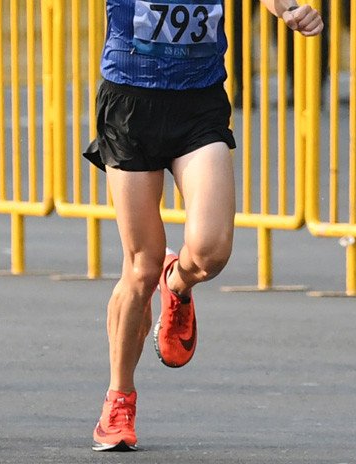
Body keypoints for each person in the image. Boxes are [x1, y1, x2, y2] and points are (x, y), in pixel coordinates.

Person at [82, 0, 322, 451]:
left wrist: (289, 9)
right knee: (139, 267)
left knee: (211, 251)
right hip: (131, 102)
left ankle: (178, 283)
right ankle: (119, 400)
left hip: (199, 106)